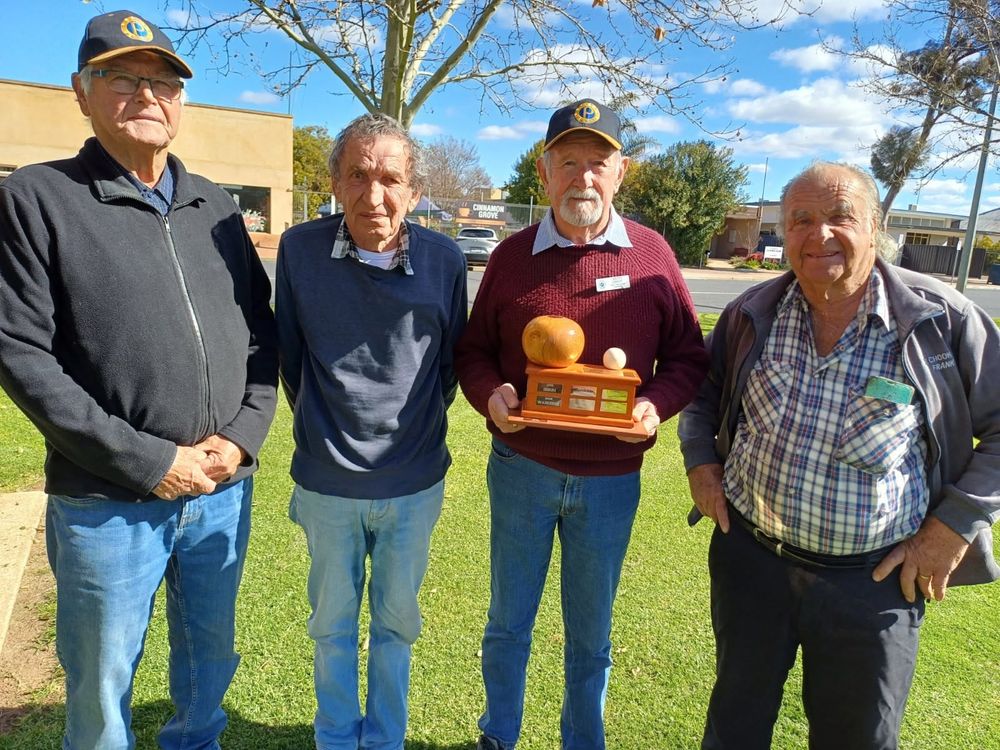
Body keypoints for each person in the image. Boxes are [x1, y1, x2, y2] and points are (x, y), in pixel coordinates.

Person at [0, 10, 278, 749]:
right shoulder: (35, 199)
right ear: (80, 92)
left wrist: (242, 442)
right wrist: (151, 462)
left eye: (162, 81)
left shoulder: (215, 206)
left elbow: (261, 335)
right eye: (121, 77)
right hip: (108, 503)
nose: (147, 94)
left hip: (221, 492)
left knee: (208, 665)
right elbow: (22, 356)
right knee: (100, 682)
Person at [678, 161, 1000, 750]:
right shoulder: (753, 313)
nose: (818, 234)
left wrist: (952, 528)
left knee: (857, 738)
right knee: (736, 725)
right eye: (800, 220)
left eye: (840, 217)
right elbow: (703, 393)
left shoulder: (941, 320)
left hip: (873, 585)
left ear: (875, 226)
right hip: (752, 564)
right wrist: (701, 462)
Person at [454, 99, 709, 750]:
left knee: (590, 634)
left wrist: (653, 405)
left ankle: (583, 742)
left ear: (620, 173)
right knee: (509, 622)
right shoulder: (512, 257)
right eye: (569, 162)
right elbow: (474, 351)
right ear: (544, 173)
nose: (583, 178)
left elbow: (687, 357)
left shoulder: (653, 256)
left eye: (598, 163)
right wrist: (492, 398)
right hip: (522, 472)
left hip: (610, 483)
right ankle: (498, 737)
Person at [275, 113, 467, 750]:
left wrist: (401, 435)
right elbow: (290, 360)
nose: (374, 195)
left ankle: (384, 739)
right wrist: (330, 433)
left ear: (413, 190)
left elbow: (447, 369)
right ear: (333, 180)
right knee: (331, 626)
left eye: (390, 178)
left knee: (395, 625)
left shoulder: (443, 260)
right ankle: (335, 737)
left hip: (413, 484)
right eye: (357, 175)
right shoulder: (300, 252)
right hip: (328, 485)